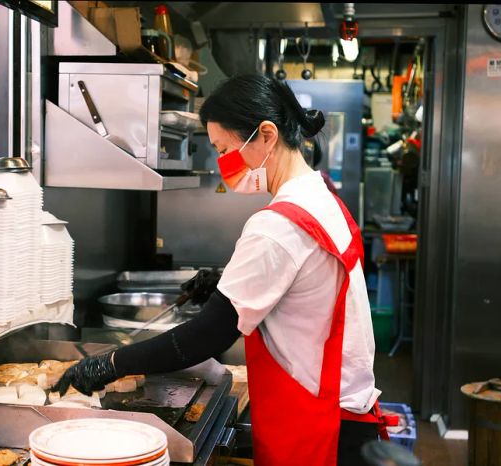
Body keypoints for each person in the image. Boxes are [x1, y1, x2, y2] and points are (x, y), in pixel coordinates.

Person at [53, 75, 388, 465]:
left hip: (318, 427)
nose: (223, 163)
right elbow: (304, 281)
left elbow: (202, 338)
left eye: (225, 148)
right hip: (344, 412)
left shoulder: (278, 225)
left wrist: (109, 364)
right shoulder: (322, 197)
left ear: (266, 135)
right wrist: (222, 283)